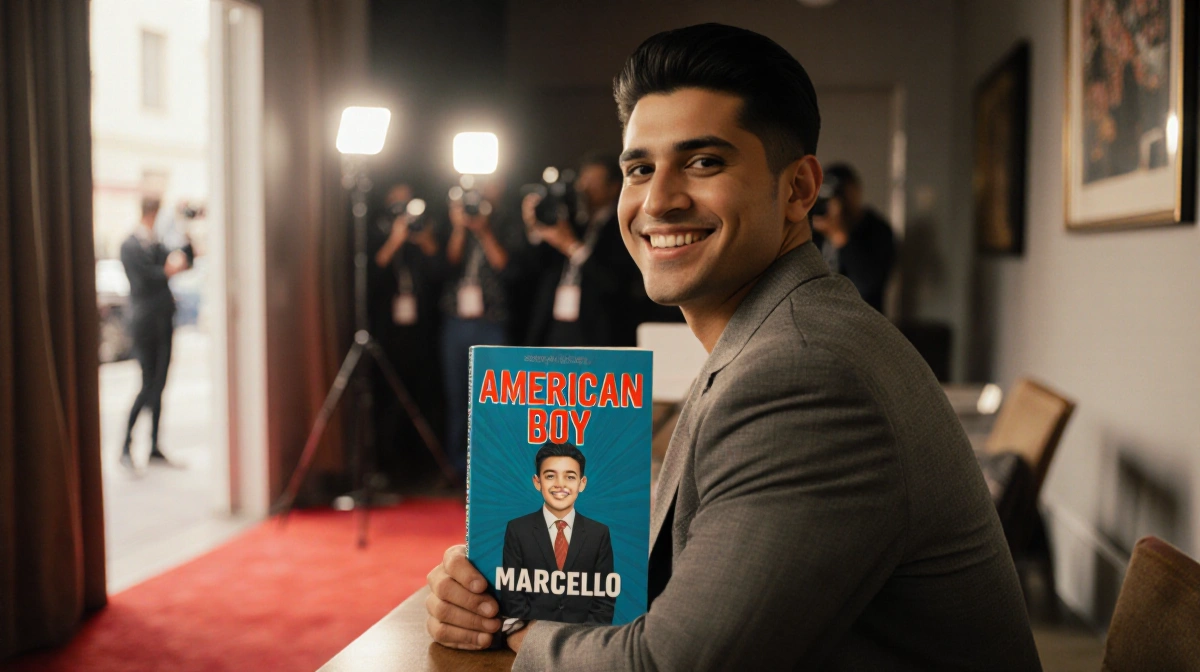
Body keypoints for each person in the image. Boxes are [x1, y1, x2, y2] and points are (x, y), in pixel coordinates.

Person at [424, 24, 1041, 671]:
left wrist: (521, 627)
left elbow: (669, 665)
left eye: (703, 162)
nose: (658, 201)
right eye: (640, 168)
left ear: (799, 189)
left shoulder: (804, 373)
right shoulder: (781, 331)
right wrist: (490, 597)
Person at [438, 176, 525, 479]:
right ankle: (458, 468)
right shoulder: (458, 223)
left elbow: (507, 266)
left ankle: (493, 468)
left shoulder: (506, 223)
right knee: (456, 396)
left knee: (495, 398)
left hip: (492, 322)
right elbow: (447, 264)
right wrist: (460, 228)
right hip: (456, 321)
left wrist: (484, 230)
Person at [521, 153, 644, 347]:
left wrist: (571, 246)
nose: (583, 188)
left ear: (613, 188)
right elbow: (535, 267)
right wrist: (537, 227)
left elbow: (616, 283)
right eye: (582, 180)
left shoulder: (623, 228)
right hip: (555, 325)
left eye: (593, 182)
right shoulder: (574, 221)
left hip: (596, 330)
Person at [369, 183, 445, 484]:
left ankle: (425, 466)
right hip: (387, 332)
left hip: (421, 330)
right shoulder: (376, 233)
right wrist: (394, 241)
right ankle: (386, 465)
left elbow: (440, 273)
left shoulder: (422, 233)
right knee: (387, 398)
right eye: (396, 203)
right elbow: (369, 278)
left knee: (424, 395)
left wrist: (424, 240)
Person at [499, 442, 615, 625]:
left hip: (584, 641)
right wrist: (531, 637)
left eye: (570, 477)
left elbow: (605, 598)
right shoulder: (518, 530)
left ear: (581, 483)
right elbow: (512, 595)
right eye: (550, 476)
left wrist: (583, 641)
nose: (560, 485)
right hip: (530, 640)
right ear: (537, 482)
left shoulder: (598, 533)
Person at [119, 196, 193, 472]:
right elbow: (145, 279)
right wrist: (167, 270)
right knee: (148, 384)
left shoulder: (156, 242)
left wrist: (184, 227)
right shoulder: (130, 245)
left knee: (160, 385)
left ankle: (153, 446)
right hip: (145, 324)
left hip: (164, 322)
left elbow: (186, 259)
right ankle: (125, 444)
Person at [810, 163, 896, 313]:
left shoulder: (877, 230)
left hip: (863, 321)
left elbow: (868, 285)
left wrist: (839, 235)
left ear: (856, 193)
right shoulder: (815, 232)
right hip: (821, 320)